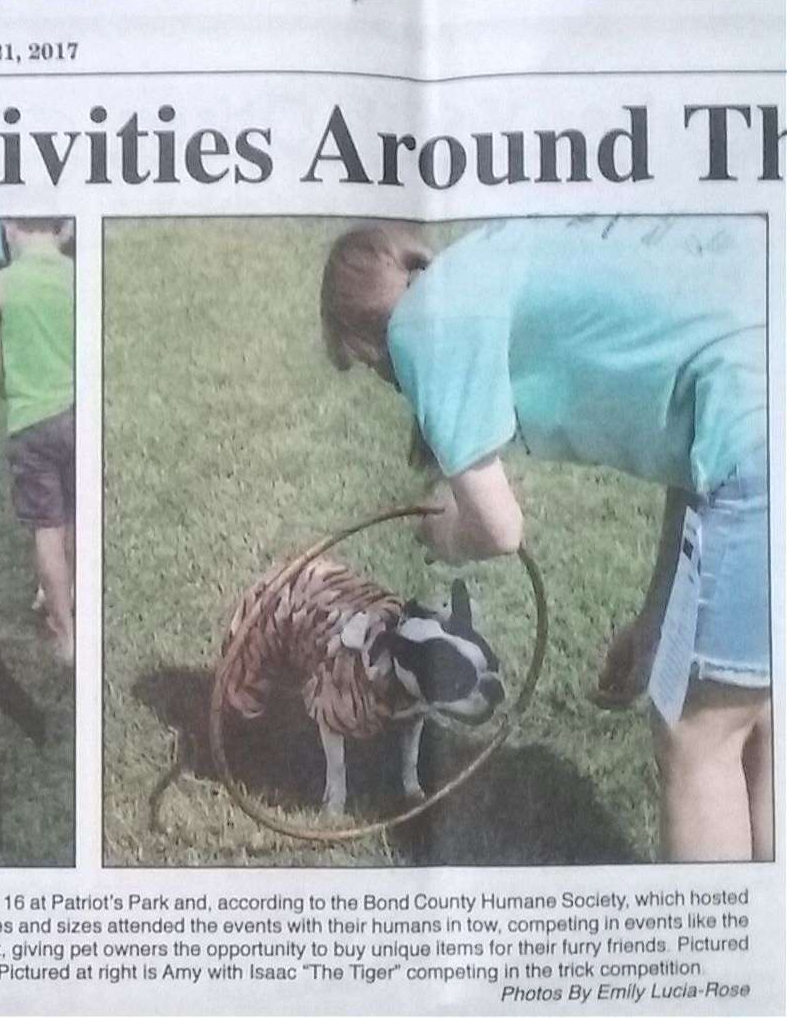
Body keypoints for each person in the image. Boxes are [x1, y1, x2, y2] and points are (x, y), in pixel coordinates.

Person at [319, 217, 769, 862]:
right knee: (754, 722)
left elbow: (498, 529)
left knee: (698, 736)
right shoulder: (481, 265)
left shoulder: (425, 322)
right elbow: (696, 461)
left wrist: (445, 534)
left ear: (364, 345)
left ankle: (713, 961)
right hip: (754, 398)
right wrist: (656, 617)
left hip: (754, 435)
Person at [0, 218, 76, 665]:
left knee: (46, 528)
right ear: (66, 230)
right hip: (76, 411)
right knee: (75, 517)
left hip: (29, 419)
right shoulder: (78, 276)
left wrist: (15, 393)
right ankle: (74, 592)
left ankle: (65, 633)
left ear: (9, 228)